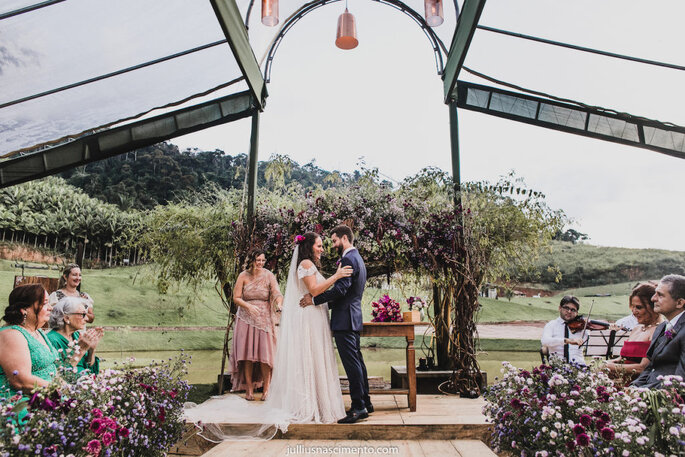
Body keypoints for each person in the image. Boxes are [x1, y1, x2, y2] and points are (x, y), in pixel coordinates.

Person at [184, 233, 354, 436]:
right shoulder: (306, 264)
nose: (322, 248)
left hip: (309, 317)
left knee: (309, 357)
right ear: (309, 247)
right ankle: (307, 404)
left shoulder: (306, 264)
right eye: (319, 245)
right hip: (307, 319)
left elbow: (286, 293)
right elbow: (315, 290)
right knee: (310, 357)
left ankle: (313, 400)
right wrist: (337, 276)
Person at [300, 225, 372, 424]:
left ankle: (358, 407)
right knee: (357, 361)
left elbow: (341, 291)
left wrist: (315, 301)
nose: (332, 246)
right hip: (351, 316)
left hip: (345, 318)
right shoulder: (357, 258)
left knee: (352, 364)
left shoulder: (348, 258)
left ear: (344, 238)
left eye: (334, 241)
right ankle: (366, 401)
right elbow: (346, 292)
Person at [229, 250, 284, 401]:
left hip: (264, 319)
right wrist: (248, 306)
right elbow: (236, 298)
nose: (260, 263)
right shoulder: (243, 276)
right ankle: (249, 390)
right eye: (257, 260)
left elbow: (276, 293)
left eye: (262, 261)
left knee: (265, 355)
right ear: (252, 261)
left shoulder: (268, 275)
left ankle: (266, 390)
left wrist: (279, 303)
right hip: (246, 319)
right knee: (247, 355)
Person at [0, 284, 58, 399]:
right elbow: (20, 381)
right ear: (25, 309)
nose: (50, 307)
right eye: (45, 303)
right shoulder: (11, 334)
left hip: (47, 394)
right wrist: (60, 389)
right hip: (21, 400)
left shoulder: (38, 331)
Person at [632, 275, 685, 388]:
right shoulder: (661, 327)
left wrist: (641, 392)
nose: (653, 299)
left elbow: (680, 381)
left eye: (660, 295)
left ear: (679, 303)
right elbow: (651, 367)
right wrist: (633, 387)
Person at [605, 282, 661, 379]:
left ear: (653, 307)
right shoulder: (636, 328)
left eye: (639, 307)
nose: (634, 312)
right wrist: (605, 363)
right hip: (620, 378)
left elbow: (643, 368)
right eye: (633, 307)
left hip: (638, 383)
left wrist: (610, 366)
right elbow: (622, 359)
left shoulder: (659, 330)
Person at [46, 297, 103, 377]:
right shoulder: (52, 340)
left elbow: (90, 371)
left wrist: (91, 349)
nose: (86, 319)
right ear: (66, 318)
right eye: (82, 314)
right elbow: (59, 375)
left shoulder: (76, 335)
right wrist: (80, 350)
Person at [540, 295, 586, 365]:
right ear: (560, 308)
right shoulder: (551, 325)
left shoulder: (582, 327)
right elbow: (545, 341)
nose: (569, 311)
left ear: (577, 313)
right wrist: (567, 340)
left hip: (579, 367)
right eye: (566, 308)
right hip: (557, 367)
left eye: (573, 310)